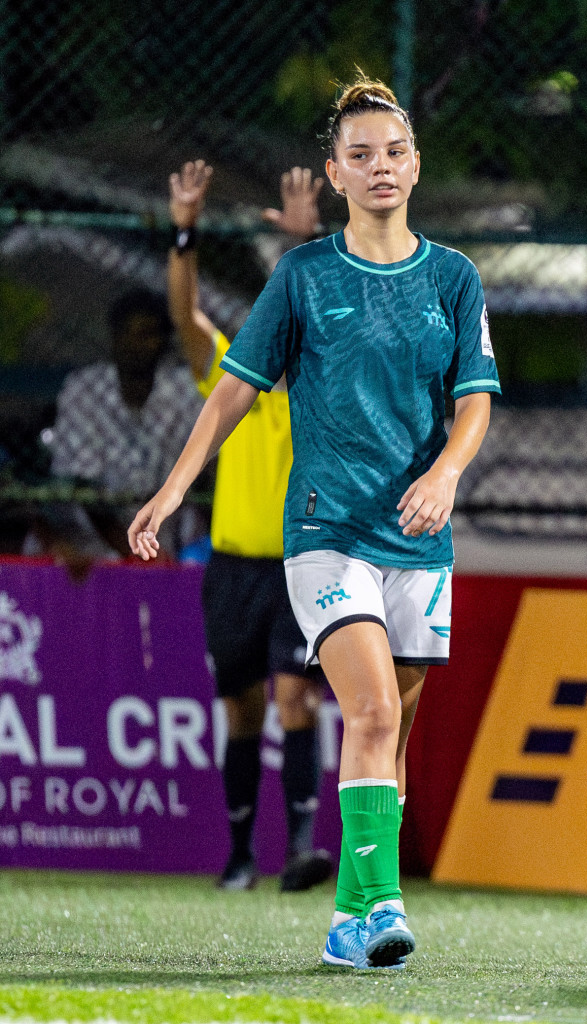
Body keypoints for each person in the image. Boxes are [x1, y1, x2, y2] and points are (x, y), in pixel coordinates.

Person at [128, 74, 499, 972]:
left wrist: (448, 473)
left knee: (392, 732)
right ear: (334, 173)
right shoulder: (303, 275)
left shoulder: (453, 277)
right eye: (360, 155)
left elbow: (476, 401)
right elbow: (230, 392)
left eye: (394, 152)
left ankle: (347, 916)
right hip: (327, 534)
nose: (380, 167)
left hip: (420, 540)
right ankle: (383, 908)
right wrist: (178, 486)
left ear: (416, 164)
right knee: (367, 710)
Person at [166, 159, 334, 892]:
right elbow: (184, 317)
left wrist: (307, 248)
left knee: (294, 700)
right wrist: (183, 233)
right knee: (240, 709)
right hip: (231, 570)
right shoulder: (235, 381)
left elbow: (324, 308)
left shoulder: (319, 382)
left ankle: (300, 847)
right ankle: (238, 856)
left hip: (299, 566)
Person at [38, 289, 203, 564]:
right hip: (90, 548)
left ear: (163, 341)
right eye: (126, 333)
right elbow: (83, 487)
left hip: (169, 545)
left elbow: (206, 470)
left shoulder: (182, 391)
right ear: (113, 337)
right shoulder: (84, 389)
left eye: (147, 334)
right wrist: (134, 555)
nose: (134, 344)